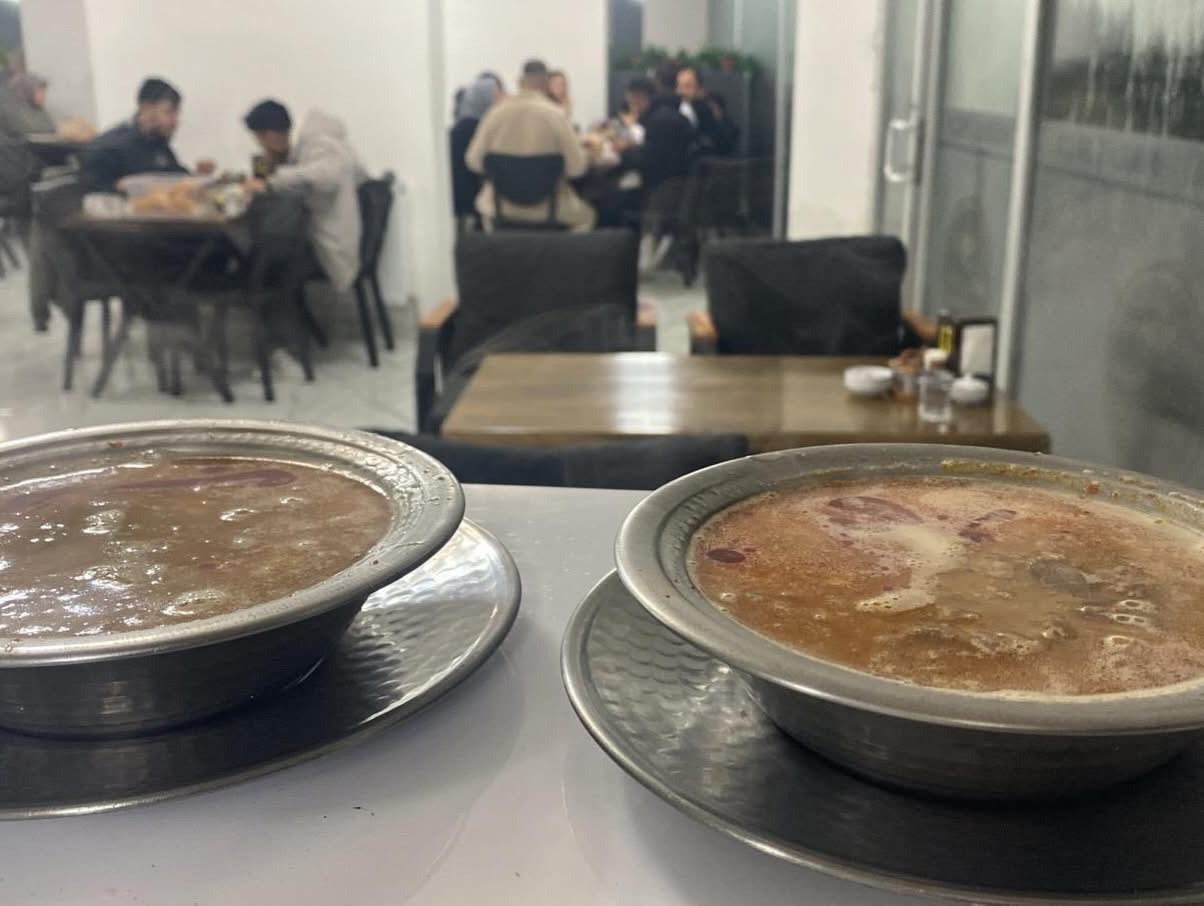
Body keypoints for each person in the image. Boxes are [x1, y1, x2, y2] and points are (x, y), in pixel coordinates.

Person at [243, 99, 364, 293]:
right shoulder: (302, 146)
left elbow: (326, 177)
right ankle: (282, 307)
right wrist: (268, 163)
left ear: (270, 135)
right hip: (317, 233)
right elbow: (286, 180)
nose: (259, 144)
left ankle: (276, 307)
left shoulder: (319, 144)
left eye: (258, 138)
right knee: (264, 247)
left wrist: (271, 181)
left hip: (329, 243)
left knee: (267, 255)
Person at [465, 59, 594, 231]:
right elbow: (577, 169)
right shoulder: (556, 116)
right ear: (546, 85)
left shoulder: (494, 114)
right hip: (550, 209)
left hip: (500, 209)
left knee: (487, 214)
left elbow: (473, 162)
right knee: (588, 216)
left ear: (520, 82)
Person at [80, 77, 204, 192]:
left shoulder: (157, 143)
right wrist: (121, 187)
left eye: (176, 114)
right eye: (169, 112)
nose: (175, 121)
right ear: (146, 109)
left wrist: (198, 177)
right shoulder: (109, 148)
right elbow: (93, 192)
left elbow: (174, 176)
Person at [619, 71, 693, 195]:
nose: (630, 107)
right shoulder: (668, 113)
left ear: (638, 97)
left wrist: (621, 153)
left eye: (630, 101)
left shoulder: (659, 121)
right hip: (677, 185)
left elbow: (647, 161)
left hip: (661, 191)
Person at [450, 75, 502, 222]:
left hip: (458, 200)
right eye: (496, 95)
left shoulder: (459, 127)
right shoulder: (480, 128)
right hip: (478, 199)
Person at [676, 67, 739, 157]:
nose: (680, 91)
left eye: (687, 86)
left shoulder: (708, 106)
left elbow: (727, 139)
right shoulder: (672, 108)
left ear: (700, 89)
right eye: (679, 86)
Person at [0, 72, 54, 142]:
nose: (43, 96)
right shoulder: (14, 110)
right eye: (39, 91)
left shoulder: (38, 109)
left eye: (43, 91)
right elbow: (33, 132)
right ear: (27, 91)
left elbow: (51, 128)